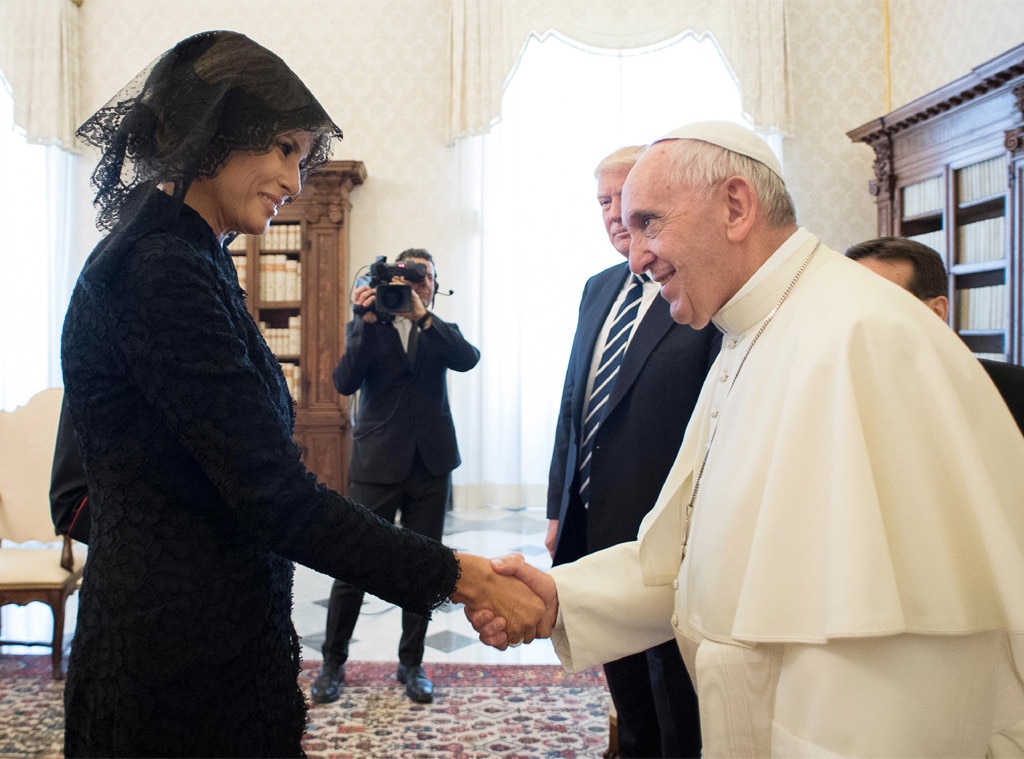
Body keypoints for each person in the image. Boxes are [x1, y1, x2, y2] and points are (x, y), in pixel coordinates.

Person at [468, 121, 1024, 757]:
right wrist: (563, 596)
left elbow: (881, 661)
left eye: (650, 223)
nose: (637, 256)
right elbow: (706, 556)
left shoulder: (856, 337)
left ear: (735, 206)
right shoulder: (751, 330)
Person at [60, 30, 543, 758]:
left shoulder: (189, 252)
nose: (294, 176)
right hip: (174, 665)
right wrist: (458, 574)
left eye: (304, 155)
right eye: (284, 148)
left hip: (206, 634)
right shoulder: (162, 268)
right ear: (217, 132)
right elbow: (276, 498)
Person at [546, 146, 717, 757]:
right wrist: (558, 508)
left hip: (665, 536)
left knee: (677, 701)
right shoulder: (597, 289)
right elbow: (575, 404)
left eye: (626, 200)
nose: (615, 214)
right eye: (602, 202)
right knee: (628, 695)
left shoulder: (700, 292)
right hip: (592, 524)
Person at [311, 248, 480, 705]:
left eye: (424, 275)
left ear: (434, 282)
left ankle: (412, 664)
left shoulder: (440, 330)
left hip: (430, 464)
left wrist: (424, 317)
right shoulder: (369, 324)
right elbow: (345, 382)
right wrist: (362, 323)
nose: (415, 282)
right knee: (352, 565)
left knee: (424, 571)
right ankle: (332, 663)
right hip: (377, 464)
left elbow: (467, 359)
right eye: (407, 275)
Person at [845, 235, 1024, 433]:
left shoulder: (1015, 390)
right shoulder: (834, 393)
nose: (861, 316)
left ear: (937, 311)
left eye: (883, 301)